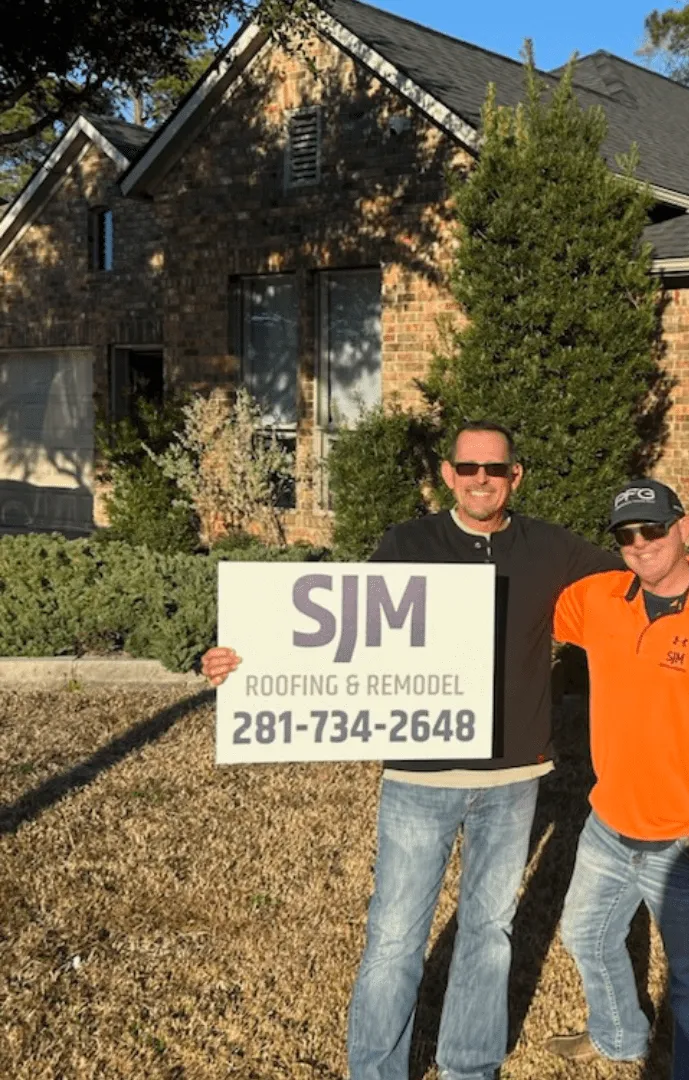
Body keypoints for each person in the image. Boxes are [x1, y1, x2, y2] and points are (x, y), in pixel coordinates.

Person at [200, 420, 621, 1080]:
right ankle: (376, 1071)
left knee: (489, 933)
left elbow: (640, 575)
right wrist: (243, 660)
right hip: (420, 777)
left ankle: (469, 1067)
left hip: (513, 777)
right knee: (395, 937)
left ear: (515, 477)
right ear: (449, 475)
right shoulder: (408, 543)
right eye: (468, 467)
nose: (481, 479)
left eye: (495, 469)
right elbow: (348, 633)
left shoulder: (549, 546)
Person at [543, 478, 689, 1080]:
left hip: (687, 838)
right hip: (608, 823)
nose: (641, 544)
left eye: (653, 529)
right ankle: (619, 1037)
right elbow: (523, 604)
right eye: (626, 535)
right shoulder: (598, 599)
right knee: (585, 934)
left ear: (684, 528)